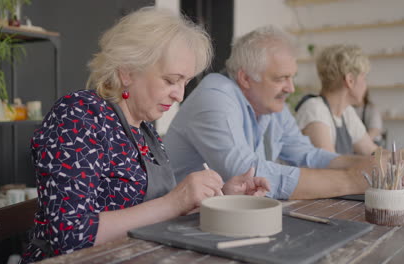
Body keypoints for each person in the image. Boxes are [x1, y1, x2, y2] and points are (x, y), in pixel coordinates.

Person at [21, 7, 270, 263]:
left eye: (185, 82)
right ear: (127, 71)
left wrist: (221, 198)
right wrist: (175, 201)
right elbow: (70, 236)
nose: (179, 95)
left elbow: (157, 212)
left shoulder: (144, 128)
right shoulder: (78, 116)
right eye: (171, 80)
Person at [164, 26, 383, 201]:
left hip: (219, 214)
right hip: (174, 224)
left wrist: (369, 164)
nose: (291, 88)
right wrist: (352, 180)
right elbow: (250, 173)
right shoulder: (215, 96)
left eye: (292, 77)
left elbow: (308, 155)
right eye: (281, 78)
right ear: (246, 78)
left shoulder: (270, 103)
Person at [295, 44, 404, 165]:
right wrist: (390, 158)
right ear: (350, 80)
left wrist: (398, 155)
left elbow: (371, 150)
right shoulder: (314, 109)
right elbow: (331, 163)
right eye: (364, 78)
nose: (366, 85)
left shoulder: (346, 112)